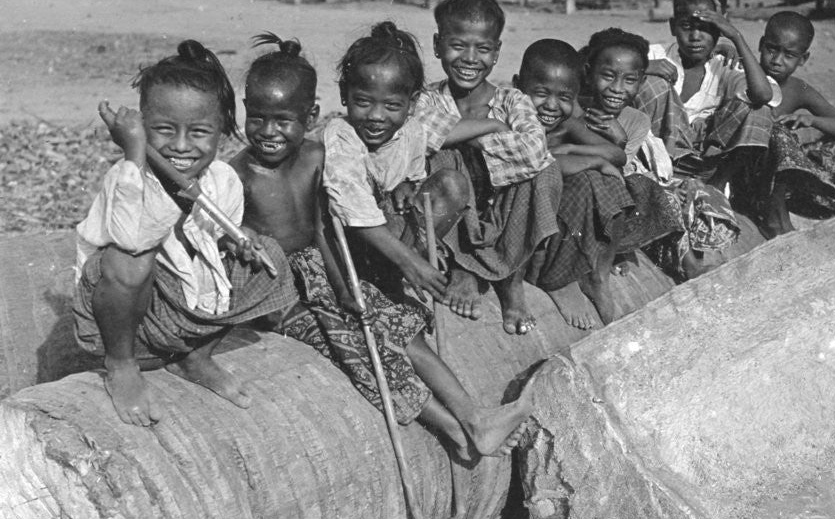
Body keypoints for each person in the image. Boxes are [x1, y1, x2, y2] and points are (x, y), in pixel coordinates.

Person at [295, 24, 533, 458]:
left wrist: (492, 125)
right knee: (396, 337)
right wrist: (412, 264)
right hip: (338, 262)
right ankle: (469, 425)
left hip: (377, 253)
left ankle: (473, 423)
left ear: (410, 106)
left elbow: (436, 138)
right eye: (363, 103)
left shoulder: (408, 131)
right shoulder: (341, 137)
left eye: (391, 106)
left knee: (451, 185)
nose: (376, 116)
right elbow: (354, 212)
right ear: (345, 99)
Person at [73, 40, 295, 427]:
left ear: (222, 132)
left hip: (182, 313)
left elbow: (216, 236)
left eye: (198, 132)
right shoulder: (127, 176)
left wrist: (239, 239)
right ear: (141, 129)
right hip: (119, 319)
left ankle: (194, 357)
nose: (179, 145)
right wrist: (136, 155)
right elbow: (130, 240)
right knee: (131, 257)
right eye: (163, 130)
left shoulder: (222, 179)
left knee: (269, 257)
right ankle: (121, 366)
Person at [414, 0, 563, 335]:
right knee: (444, 161)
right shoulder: (428, 98)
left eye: (482, 49)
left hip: (503, 214)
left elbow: (532, 151)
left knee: (546, 171)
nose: (469, 59)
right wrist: (492, 128)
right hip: (456, 219)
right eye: (457, 46)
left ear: (496, 52)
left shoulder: (512, 101)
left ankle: (511, 275)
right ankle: (463, 268)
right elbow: (426, 134)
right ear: (437, 45)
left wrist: (469, 135)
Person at [516, 37, 680, 328]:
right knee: (586, 179)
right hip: (522, 225)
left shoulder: (567, 125)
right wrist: (587, 159)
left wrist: (572, 150)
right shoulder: (512, 121)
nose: (552, 106)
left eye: (564, 98)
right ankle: (555, 280)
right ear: (519, 86)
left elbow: (615, 154)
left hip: (561, 222)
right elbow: (537, 163)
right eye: (541, 94)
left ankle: (598, 274)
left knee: (614, 182)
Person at [635, 0, 779, 190]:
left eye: (706, 28)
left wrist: (736, 37)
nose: (695, 36)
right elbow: (597, 65)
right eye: (686, 27)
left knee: (758, 109)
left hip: (706, 164)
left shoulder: (726, 67)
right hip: (653, 158)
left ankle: (717, 187)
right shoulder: (655, 54)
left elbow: (763, 95)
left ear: (721, 27)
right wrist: (640, 67)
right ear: (673, 26)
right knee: (651, 83)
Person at [737, 11, 835, 237]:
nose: (777, 60)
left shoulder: (798, 89)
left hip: (779, 177)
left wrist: (813, 120)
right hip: (744, 168)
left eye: (788, 55)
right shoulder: (743, 74)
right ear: (760, 45)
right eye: (771, 49)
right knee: (776, 134)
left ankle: (816, 205)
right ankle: (774, 219)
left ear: (803, 59)